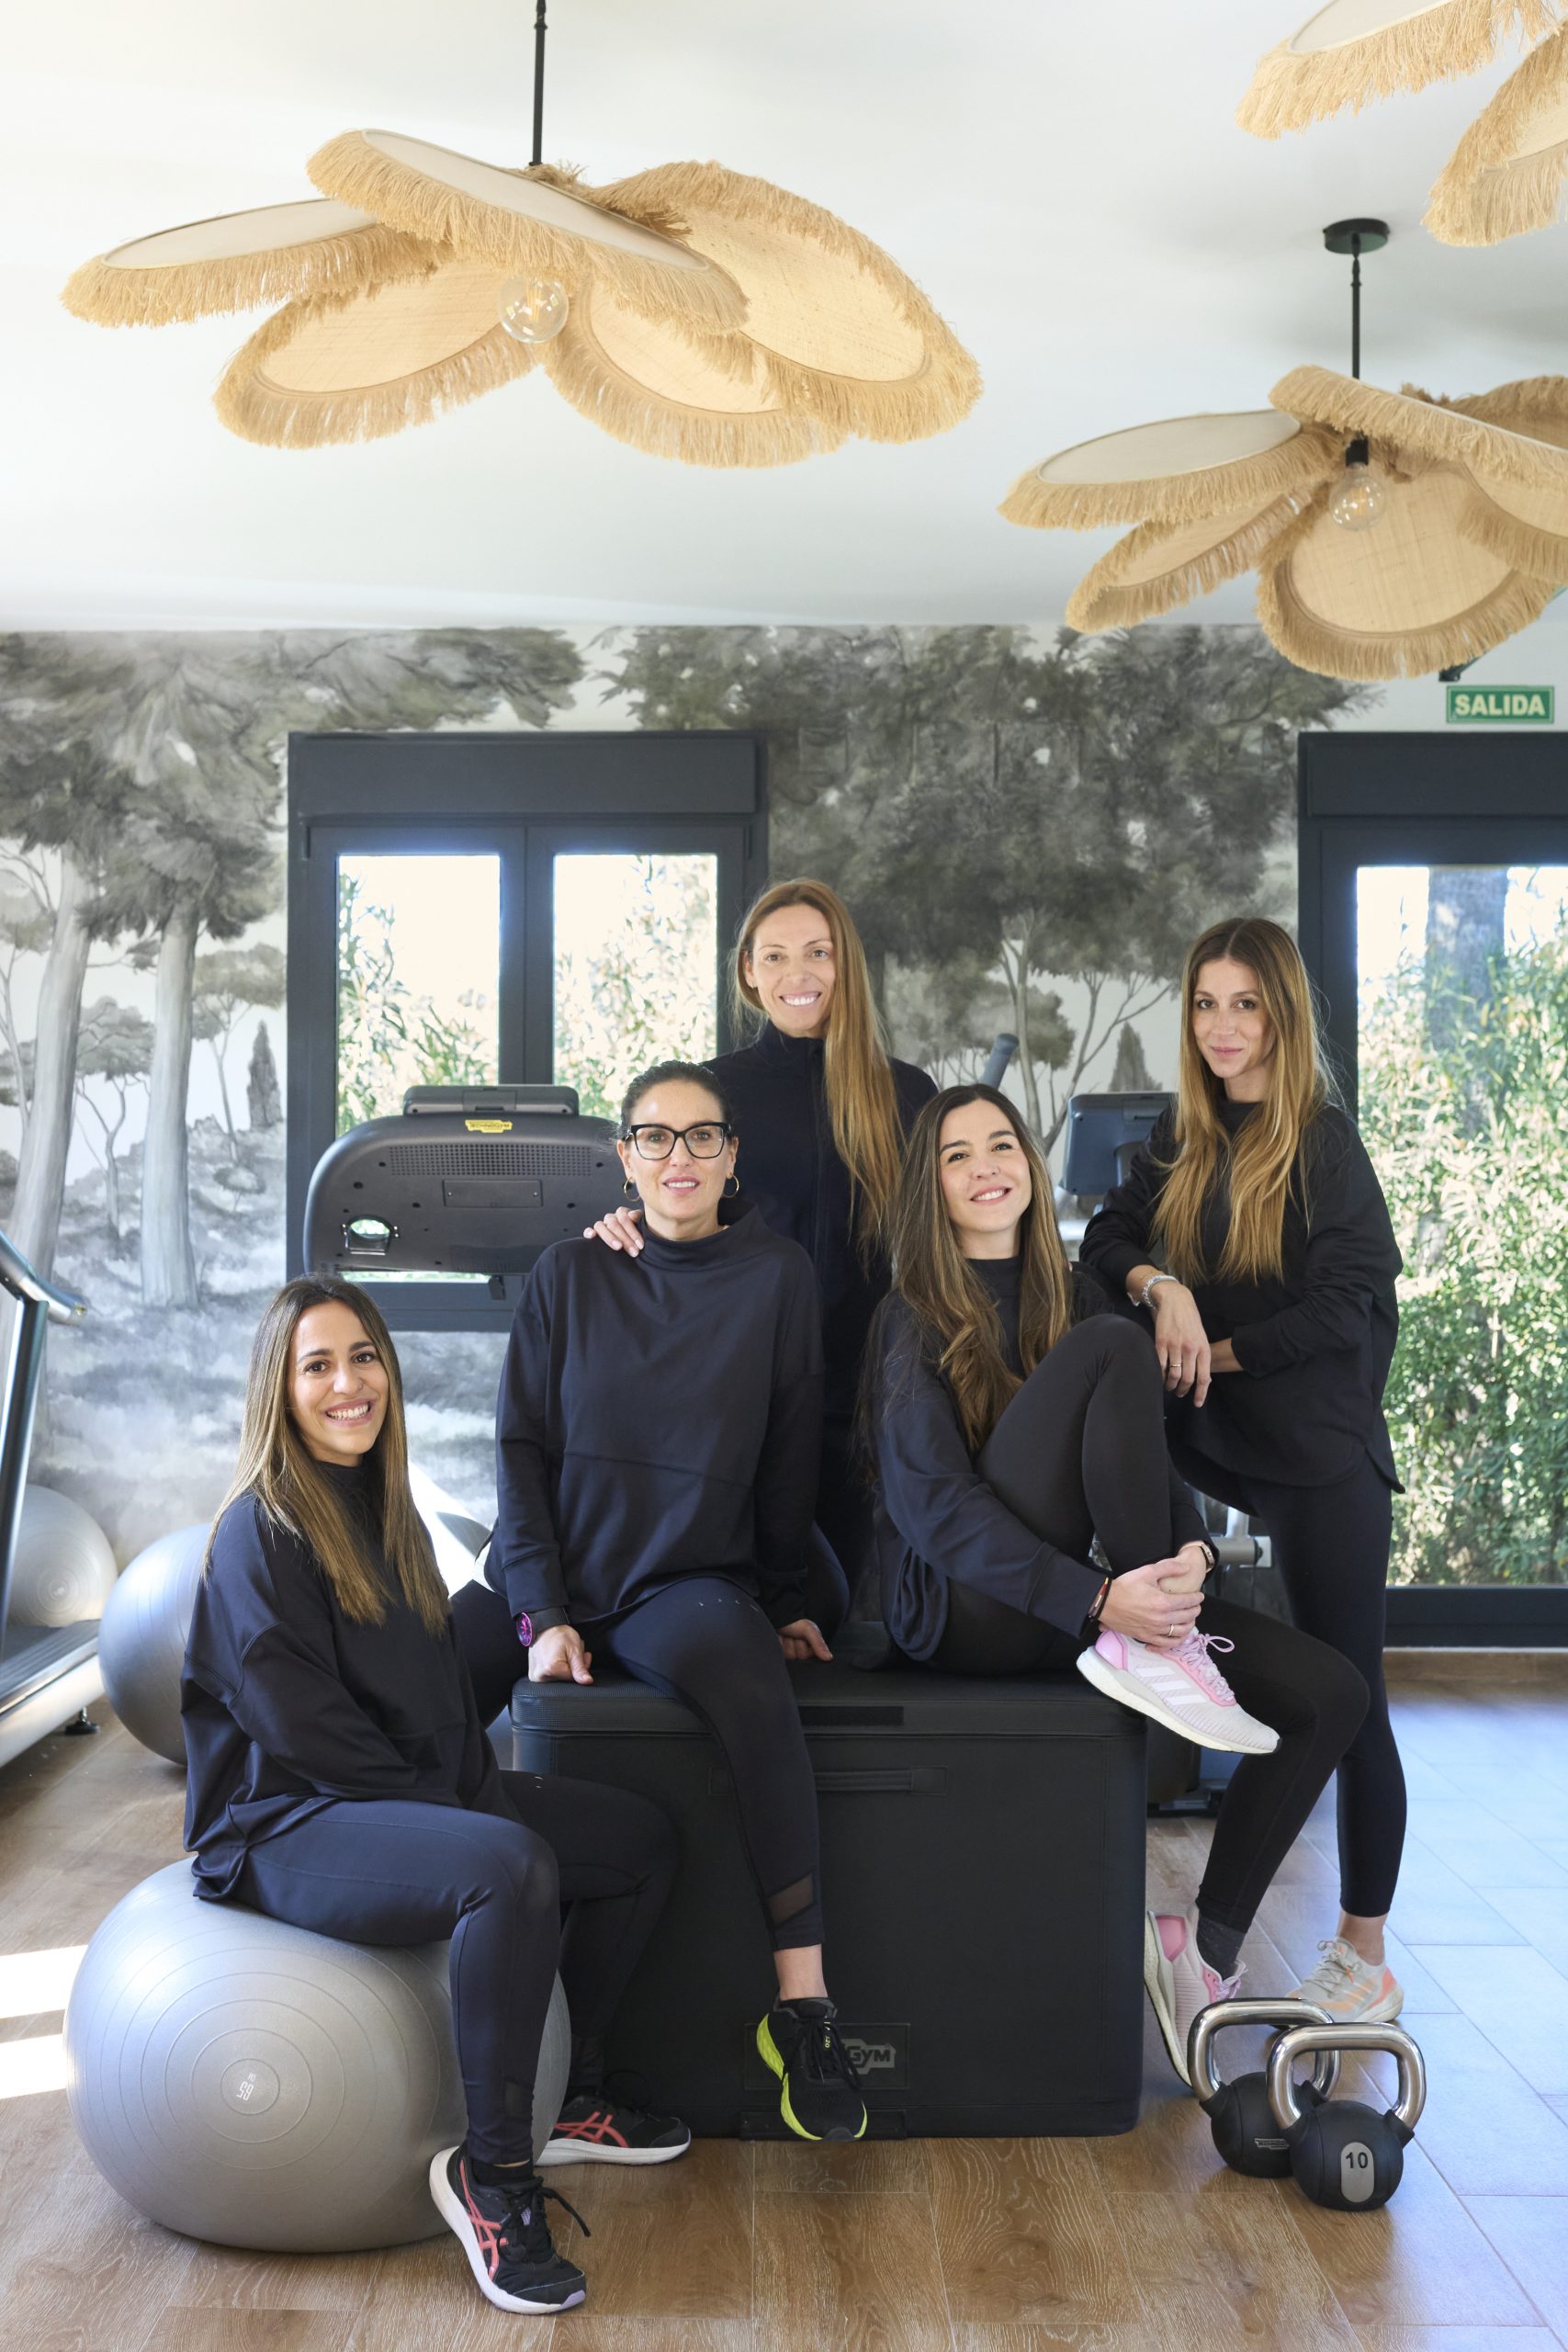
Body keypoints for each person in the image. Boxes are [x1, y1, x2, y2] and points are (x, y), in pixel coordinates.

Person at [183, 1277, 687, 2320]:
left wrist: (478, 1781)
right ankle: (493, 2178)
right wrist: (463, 1819)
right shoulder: (256, 1532)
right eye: (318, 1365)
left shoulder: (387, 1510)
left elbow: (438, 1692)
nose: (348, 1383)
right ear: (279, 1389)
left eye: (363, 1356)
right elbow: (304, 1731)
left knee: (637, 1841)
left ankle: (562, 2097)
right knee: (507, 1866)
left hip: (397, 1793)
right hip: (286, 1819)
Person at [866, 1083, 1371, 2082]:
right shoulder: (908, 1313)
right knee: (1112, 1343)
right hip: (966, 1610)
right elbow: (935, 1512)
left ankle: (1199, 1953)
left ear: (1030, 1162)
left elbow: (1151, 1466)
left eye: (1001, 1144)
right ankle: (1163, 1647)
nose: (986, 1168)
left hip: (1092, 1606)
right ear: (932, 1187)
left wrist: (1191, 1555)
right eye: (957, 1156)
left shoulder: (1077, 1298)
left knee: (1332, 1695)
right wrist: (1101, 1601)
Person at [484, 1058, 869, 2143]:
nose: (679, 1155)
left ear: (732, 1155)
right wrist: (540, 1613)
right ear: (625, 1155)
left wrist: (784, 1596)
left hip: (679, 1583)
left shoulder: (777, 1275)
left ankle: (803, 2009)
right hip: (556, 1571)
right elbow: (518, 1449)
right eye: (655, 1136)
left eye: (703, 1136)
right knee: (415, 1684)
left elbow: (790, 1451)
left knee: (753, 1686)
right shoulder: (570, 1270)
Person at [1079, 914, 1408, 2035]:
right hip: (1211, 1427)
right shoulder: (1186, 1132)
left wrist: (1209, 1350)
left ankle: (1364, 1954)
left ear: (1282, 1013)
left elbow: (1342, 1307)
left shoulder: (1322, 1141)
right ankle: (1158, 1646)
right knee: (1107, 1352)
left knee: (1352, 1697)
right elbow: (1105, 1239)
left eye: (1246, 1004)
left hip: (1317, 1441)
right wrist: (1161, 1287)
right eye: (1206, 1004)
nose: (1223, 1027)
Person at [584, 878, 937, 1613]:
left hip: (860, 1394)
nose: (795, 974)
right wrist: (620, 1221)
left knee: (831, 1615)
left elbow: (940, 1232)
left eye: (817, 953)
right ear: (748, 972)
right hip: (734, 1388)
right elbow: (672, 1192)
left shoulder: (906, 1093)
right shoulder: (717, 1091)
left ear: (845, 965)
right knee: (732, 1601)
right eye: (773, 956)